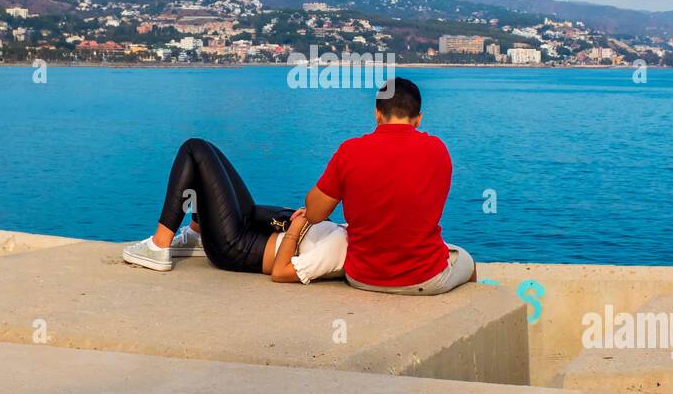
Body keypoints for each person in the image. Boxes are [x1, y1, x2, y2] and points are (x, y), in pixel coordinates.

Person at [303, 76, 475, 295]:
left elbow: (314, 214)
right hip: (425, 278)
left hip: (362, 277)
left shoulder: (349, 151)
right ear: (418, 118)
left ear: (377, 113)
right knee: (468, 261)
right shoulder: (438, 150)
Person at [121, 138, 347, 284]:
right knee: (209, 154)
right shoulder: (353, 235)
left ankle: (159, 246)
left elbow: (281, 271)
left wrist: (297, 229)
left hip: (236, 248)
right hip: (254, 229)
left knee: (194, 150)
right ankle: (196, 234)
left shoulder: (341, 248)